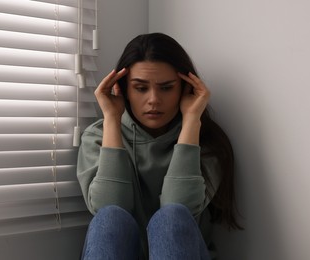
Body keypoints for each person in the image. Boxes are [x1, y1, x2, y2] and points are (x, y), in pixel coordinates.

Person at [77, 32, 242, 260]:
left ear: (184, 89)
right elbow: (109, 207)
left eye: (166, 88)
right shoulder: (97, 136)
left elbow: (181, 208)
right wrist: (112, 119)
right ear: (123, 89)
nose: (154, 99)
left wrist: (192, 119)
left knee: (172, 217)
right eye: (141, 88)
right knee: (110, 217)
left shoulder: (206, 142)